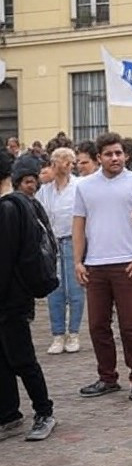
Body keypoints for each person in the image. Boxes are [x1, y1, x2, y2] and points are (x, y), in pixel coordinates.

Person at [73, 132, 132, 400]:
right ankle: (107, 377)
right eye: (108, 154)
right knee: (97, 326)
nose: (115, 158)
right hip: (96, 265)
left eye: (118, 153)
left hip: (129, 263)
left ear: (125, 155)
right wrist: (77, 261)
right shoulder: (84, 186)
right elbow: (79, 225)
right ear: (99, 158)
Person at [0, 150, 57, 441]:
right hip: (9, 298)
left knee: (22, 358)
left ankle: (44, 411)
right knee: (3, 358)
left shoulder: (10, 208)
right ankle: (9, 414)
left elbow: (7, 260)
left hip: (11, 299)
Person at [37, 147, 84, 354]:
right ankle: (57, 334)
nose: (67, 165)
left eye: (70, 161)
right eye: (63, 161)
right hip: (52, 241)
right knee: (54, 290)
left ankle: (73, 333)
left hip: (72, 240)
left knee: (75, 289)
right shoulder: (45, 190)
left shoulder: (79, 186)